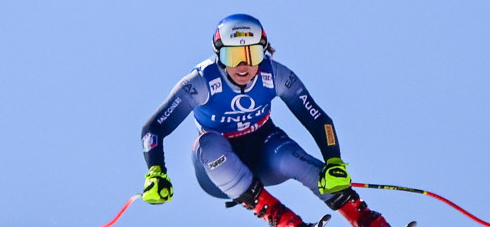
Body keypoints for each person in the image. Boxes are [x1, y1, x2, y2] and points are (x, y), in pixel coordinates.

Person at [140, 13, 391, 227]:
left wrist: (334, 161)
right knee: (208, 144)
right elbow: (154, 128)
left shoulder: (275, 75)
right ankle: (285, 221)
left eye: (252, 54)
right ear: (218, 56)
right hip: (216, 169)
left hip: (265, 151)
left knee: (290, 155)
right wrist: (156, 171)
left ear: (264, 51)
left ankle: (368, 221)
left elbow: (317, 118)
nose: (243, 65)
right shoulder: (202, 82)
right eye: (232, 56)